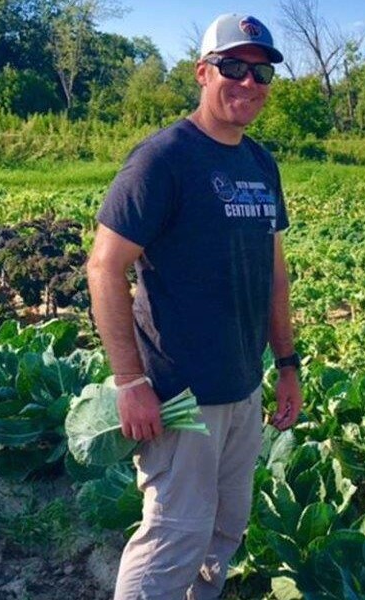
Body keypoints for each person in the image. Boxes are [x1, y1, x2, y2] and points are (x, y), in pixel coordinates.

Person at [86, 13, 303, 600]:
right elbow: (105, 266)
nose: (248, 83)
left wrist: (288, 365)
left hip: (243, 385)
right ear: (202, 72)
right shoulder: (163, 160)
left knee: (225, 529)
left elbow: (273, 274)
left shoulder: (260, 164)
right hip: (179, 392)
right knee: (173, 538)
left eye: (261, 74)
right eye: (234, 67)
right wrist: (130, 381)